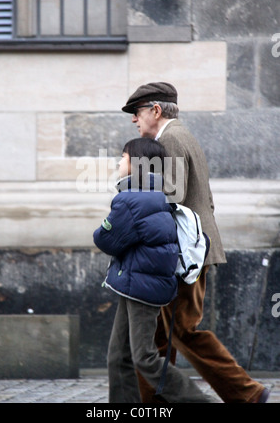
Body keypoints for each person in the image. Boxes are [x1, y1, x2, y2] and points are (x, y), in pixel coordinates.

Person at [121, 82, 269, 404]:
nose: (134, 120)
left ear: (155, 111)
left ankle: (247, 394)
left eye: (137, 112)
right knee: (160, 336)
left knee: (183, 331)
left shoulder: (171, 138)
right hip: (188, 250)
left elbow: (172, 194)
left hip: (185, 254)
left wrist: (131, 186)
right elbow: (202, 197)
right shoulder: (180, 135)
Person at [93, 137, 217, 403]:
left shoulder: (131, 200)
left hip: (141, 287)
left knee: (144, 357)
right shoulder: (153, 196)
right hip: (135, 283)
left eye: (123, 157)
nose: (118, 161)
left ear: (136, 164)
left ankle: (198, 401)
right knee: (119, 356)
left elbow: (106, 239)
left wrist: (104, 227)